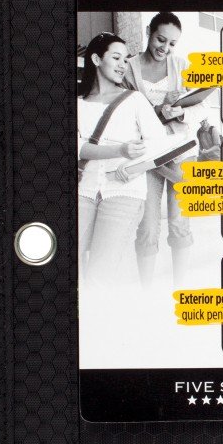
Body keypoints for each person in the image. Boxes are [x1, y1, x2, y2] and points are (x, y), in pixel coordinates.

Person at [77, 33, 166, 286]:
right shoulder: (78, 104)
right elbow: (78, 147)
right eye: (116, 58)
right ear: (96, 59)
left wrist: (133, 166)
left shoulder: (135, 100)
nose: (122, 65)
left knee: (99, 274)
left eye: (126, 60)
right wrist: (121, 151)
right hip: (84, 189)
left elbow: (159, 144)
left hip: (124, 192)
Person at [124, 12, 198, 286]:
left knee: (179, 222)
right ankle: (147, 293)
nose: (164, 48)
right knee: (147, 225)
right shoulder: (128, 68)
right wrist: (155, 110)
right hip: (147, 155)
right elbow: (122, 111)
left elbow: (201, 106)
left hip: (180, 153)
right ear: (148, 32)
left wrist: (181, 112)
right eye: (160, 39)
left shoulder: (182, 65)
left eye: (172, 43)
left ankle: (180, 289)